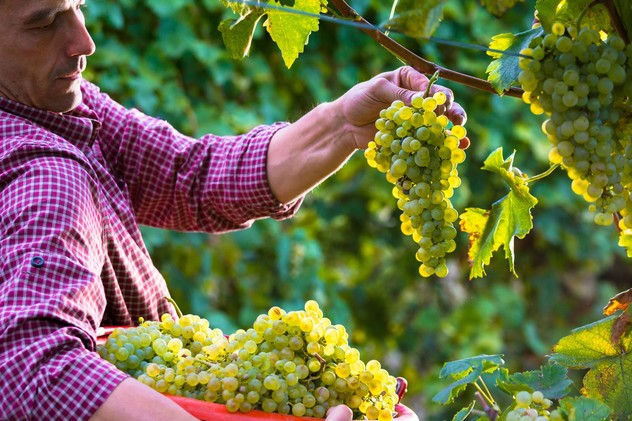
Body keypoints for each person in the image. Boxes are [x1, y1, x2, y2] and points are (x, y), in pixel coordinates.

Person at [0, 0, 467, 420]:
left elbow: (192, 177)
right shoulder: (45, 176)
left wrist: (341, 124)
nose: (84, 40)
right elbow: (33, 371)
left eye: (78, 5)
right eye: (43, 23)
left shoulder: (59, 107)